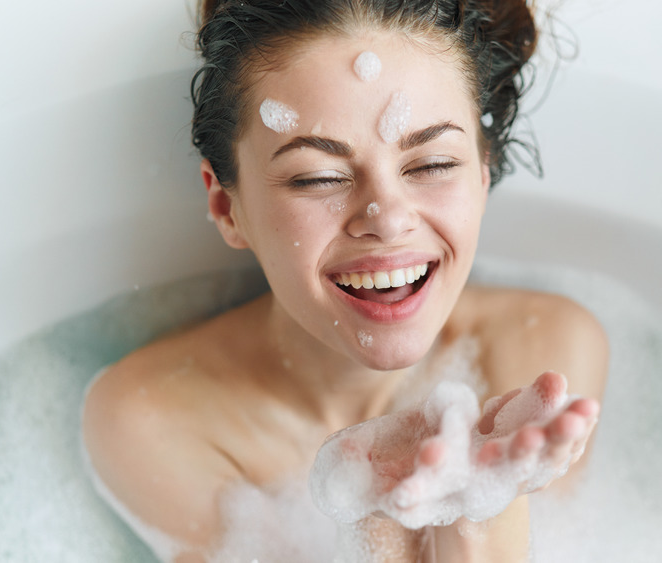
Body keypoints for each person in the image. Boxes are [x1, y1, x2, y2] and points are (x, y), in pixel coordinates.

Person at [82, 0, 608, 561]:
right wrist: (377, 521)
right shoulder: (154, 423)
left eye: (432, 165)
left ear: (483, 174)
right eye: (318, 176)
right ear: (225, 205)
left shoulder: (544, 349)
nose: (387, 217)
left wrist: (483, 508)